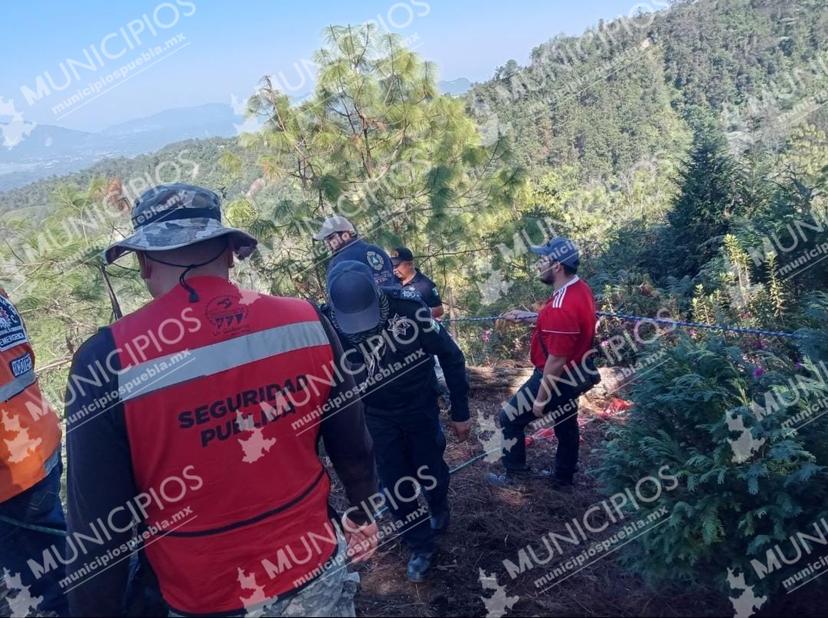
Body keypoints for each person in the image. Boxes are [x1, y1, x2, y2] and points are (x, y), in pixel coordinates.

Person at [65, 184, 380, 617]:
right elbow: (354, 447)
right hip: (313, 570)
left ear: (141, 261)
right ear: (232, 252)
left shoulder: (108, 360)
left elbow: (100, 528)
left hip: (204, 597)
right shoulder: (307, 321)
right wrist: (363, 512)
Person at [323, 260, 472, 583]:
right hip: (374, 417)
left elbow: (451, 355)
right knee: (393, 486)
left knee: (431, 471)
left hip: (419, 408)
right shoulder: (327, 322)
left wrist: (460, 412)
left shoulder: (408, 309)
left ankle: (438, 507)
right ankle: (420, 545)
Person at [488, 237, 597, 492]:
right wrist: (530, 316)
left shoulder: (561, 307)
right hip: (577, 372)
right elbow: (562, 323)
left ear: (557, 266)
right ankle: (563, 476)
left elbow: (556, 360)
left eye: (543, 259)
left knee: (510, 418)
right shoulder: (580, 289)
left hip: (557, 377)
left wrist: (540, 399)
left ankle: (515, 477)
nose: (539, 264)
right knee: (566, 421)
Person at [0, 288, 67, 617]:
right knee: (57, 559)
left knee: (43, 586)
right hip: (40, 449)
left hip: (11, 482)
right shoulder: (1, 299)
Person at [313, 214, 397, 287]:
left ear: (345, 234)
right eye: (326, 240)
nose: (328, 243)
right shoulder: (377, 250)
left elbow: (336, 300)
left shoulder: (337, 263)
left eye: (330, 238)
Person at [391, 247, 444, 318]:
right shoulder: (391, 281)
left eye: (397, 266)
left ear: (410, 264)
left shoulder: (426, 285)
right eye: (393, 266)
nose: (394, 269)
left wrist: (418, 315)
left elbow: (439, 310)